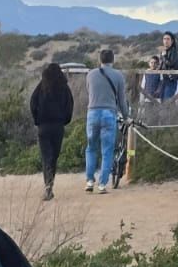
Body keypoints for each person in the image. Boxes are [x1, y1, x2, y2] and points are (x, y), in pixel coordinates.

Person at [83, 50, 129, 194]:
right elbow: (122, 100)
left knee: (91, 148)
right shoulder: (118, 75)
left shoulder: (90, 74)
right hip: (109, 113)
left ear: (100, 60)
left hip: (92, 112)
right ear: (112, 60)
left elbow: (89, 92)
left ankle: (89, 181)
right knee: (107, 150)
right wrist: (126, 116)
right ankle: (102, 184)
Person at [29, 63, 74, 201]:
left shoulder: (41, 87)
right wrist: (65, 120)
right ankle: (50, 184)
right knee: (54, 157)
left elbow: (33, 103)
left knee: (46, 157)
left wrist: (37, 120)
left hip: (43, 127)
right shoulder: (64, 88)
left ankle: (48, 186)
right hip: (58, 127)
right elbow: (69, 106)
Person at [158, 31, 178, 100]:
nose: (166, 41)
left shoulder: (174, 50)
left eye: (168, 39)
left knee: (167, 102)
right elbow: (162, 66)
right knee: (162, 101)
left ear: (172, 41)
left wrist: (164, 56)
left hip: (171, 80)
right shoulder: (163, 51)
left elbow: (171, 63)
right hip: (163, 80)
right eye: (164, 39)